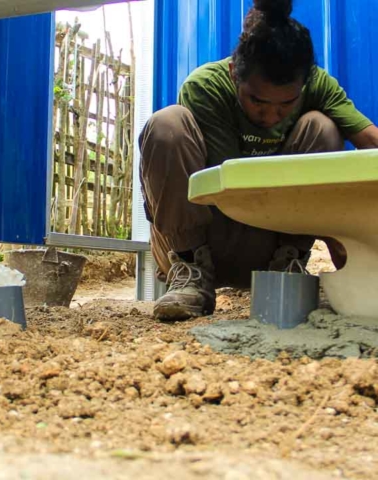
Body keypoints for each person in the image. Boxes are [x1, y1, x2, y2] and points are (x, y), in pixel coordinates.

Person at [139, 0, 378, 321]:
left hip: (275, 245)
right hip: (206, 236)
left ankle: (288, 265)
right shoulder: (205, 86)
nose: (270, 116)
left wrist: (347, 229)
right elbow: (233, 192)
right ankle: (190, 273)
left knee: (322, 128)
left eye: (286, 105)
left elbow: (371, 142)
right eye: (257, 102)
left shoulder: (318, 84)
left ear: (305, 83)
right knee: (167, 125)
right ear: (233, 73)